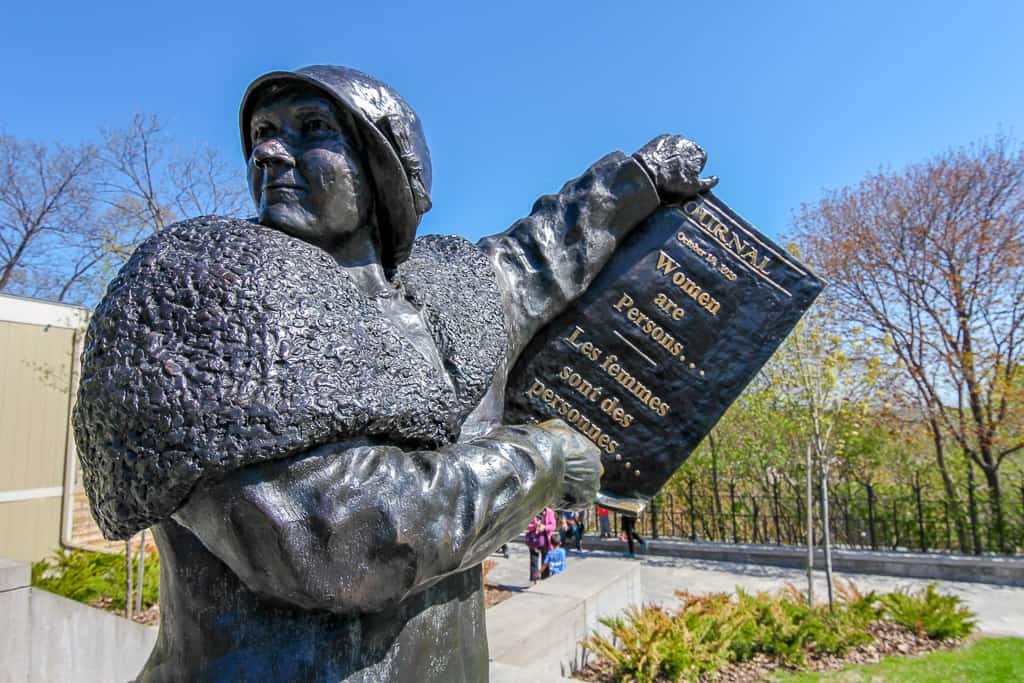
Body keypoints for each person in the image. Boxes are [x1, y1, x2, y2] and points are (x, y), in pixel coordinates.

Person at [73, 64, 716, 682]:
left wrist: (641, 178)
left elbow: (543, 250)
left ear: (383, 166)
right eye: (262, 133)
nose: (268, 152)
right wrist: (540, 462)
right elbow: (339, 542)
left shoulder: (448, 294)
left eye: (311, 128)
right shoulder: (206, 294)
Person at [525, 516, 549, 583]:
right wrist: (535, 526)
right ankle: (535, 579)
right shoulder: (531, 514)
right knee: (534, 561)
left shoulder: (548, 512)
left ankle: (545, 578)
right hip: (533, 540)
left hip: (543, 540)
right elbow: (527, 526)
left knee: (545, 560)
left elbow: (552, 525)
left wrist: (544, 527)